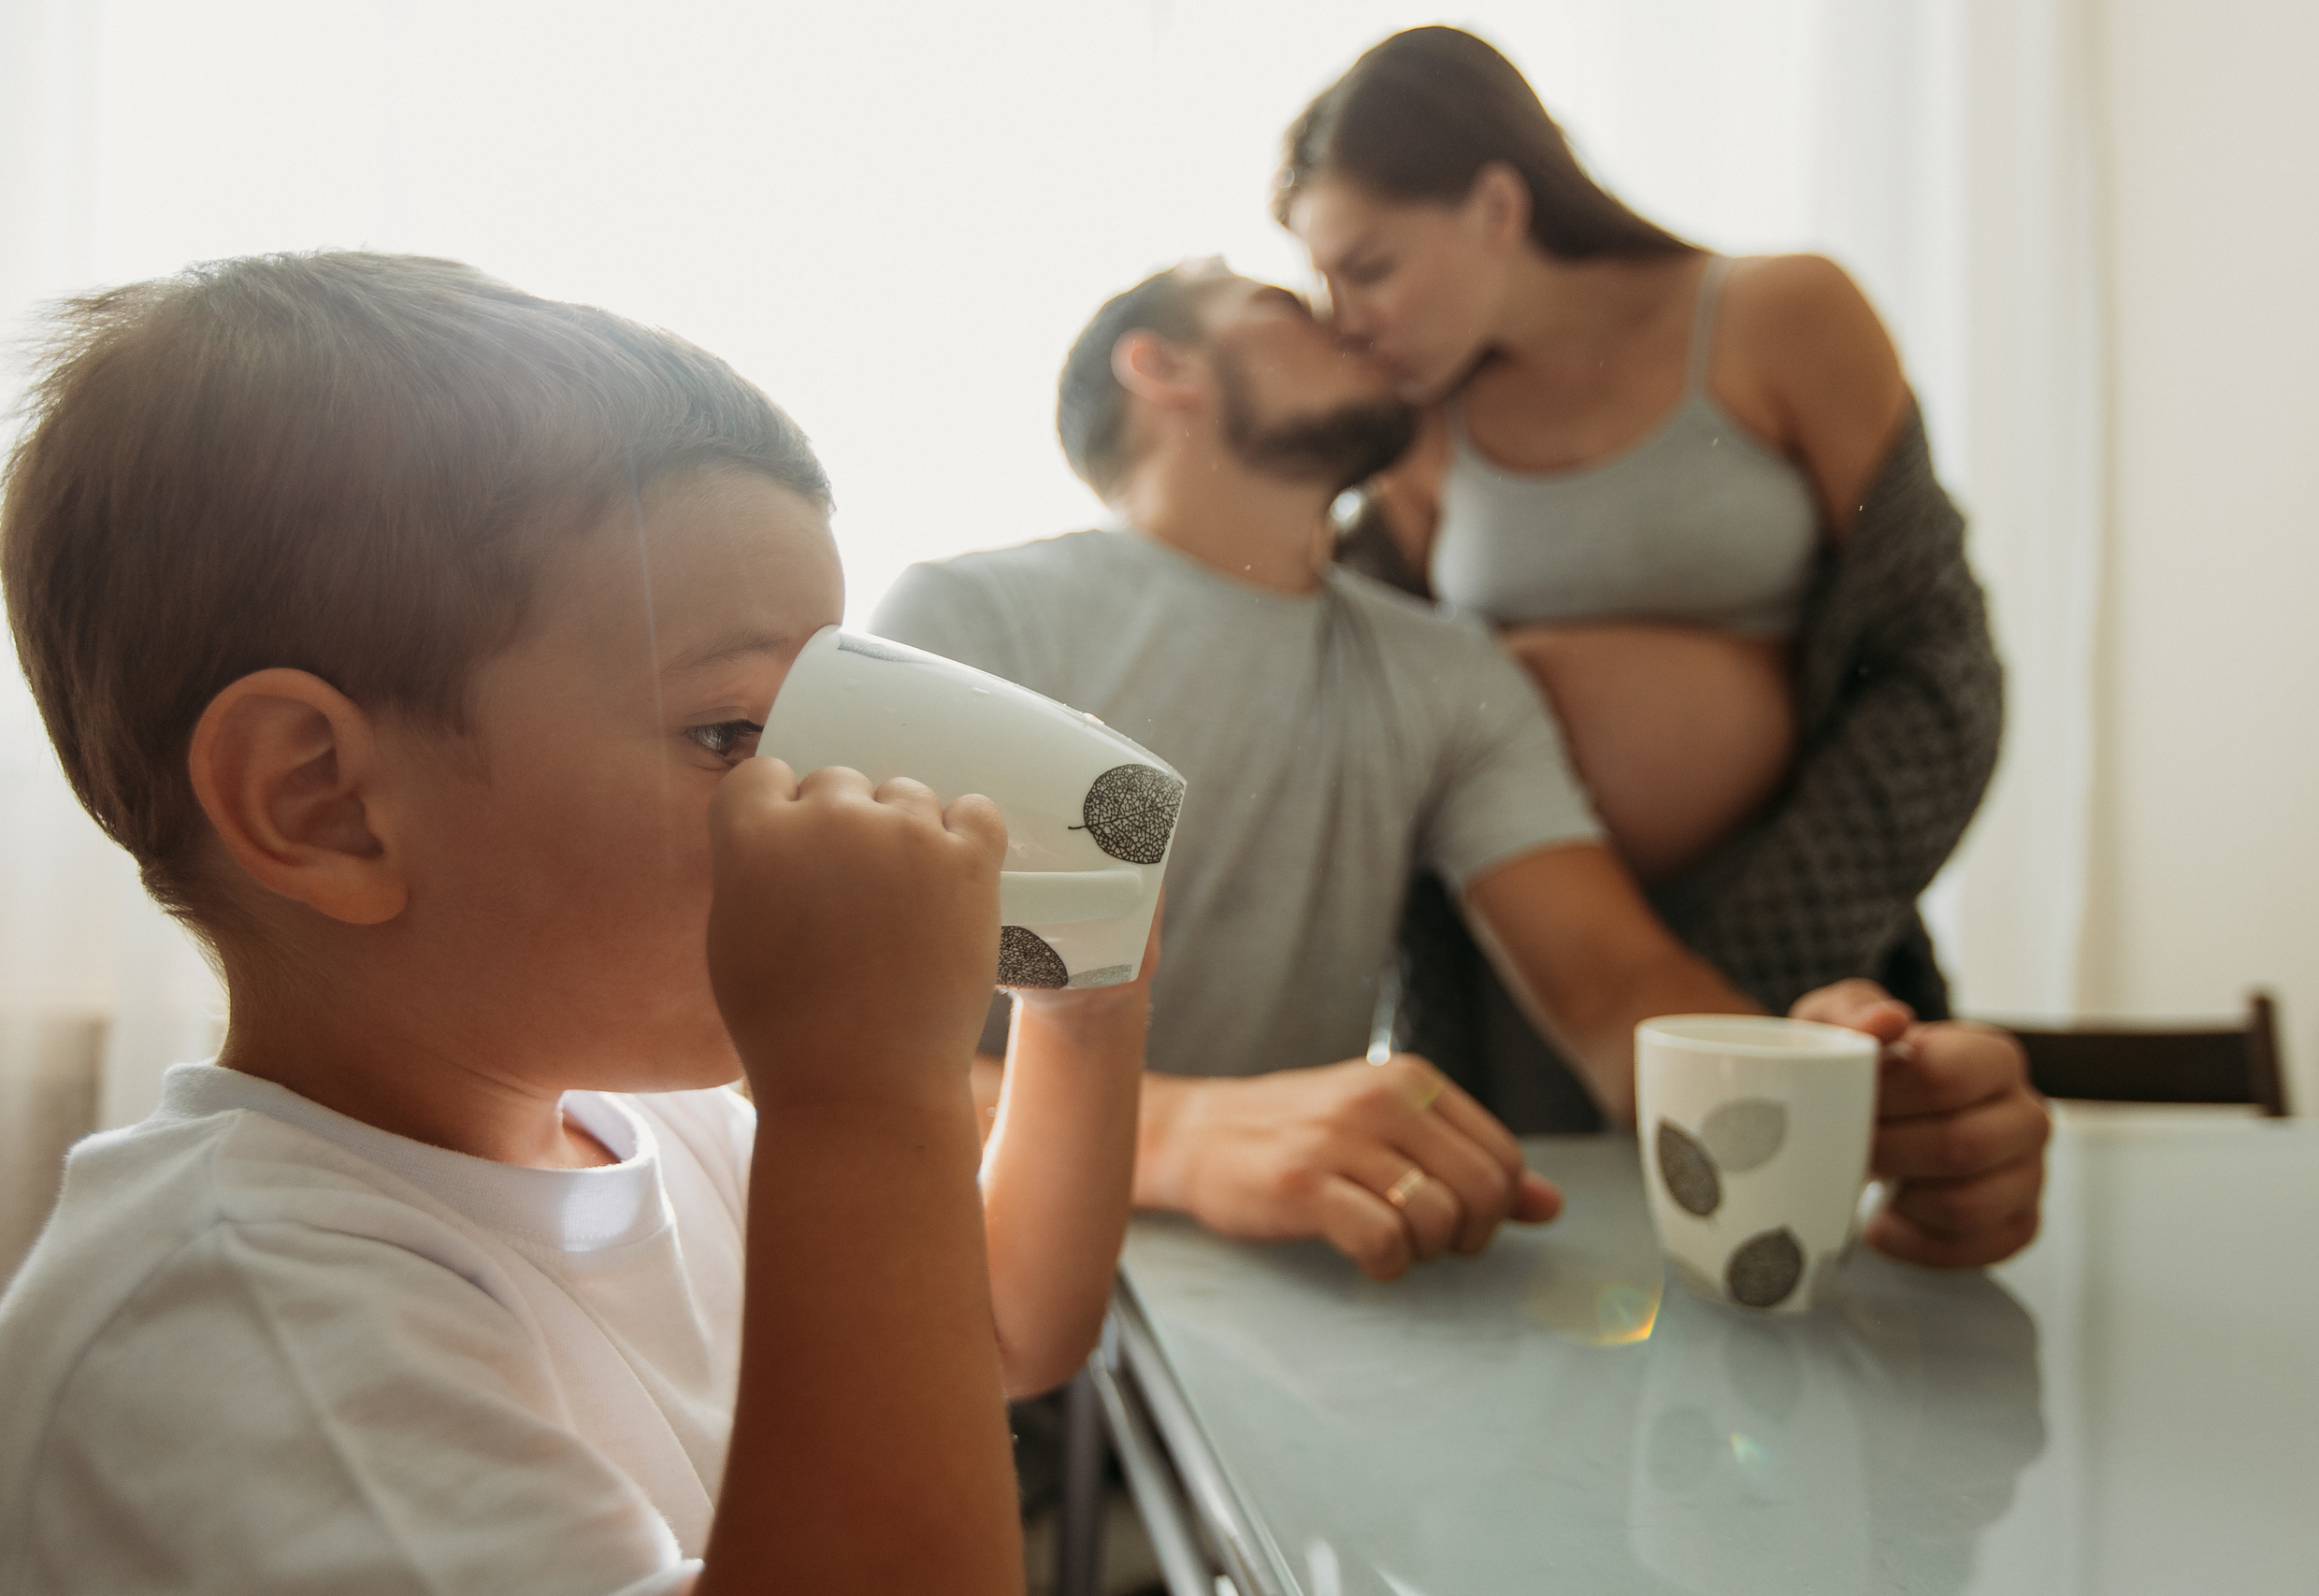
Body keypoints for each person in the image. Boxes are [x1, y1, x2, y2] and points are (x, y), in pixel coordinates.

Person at [0, 252, 1153, 1595]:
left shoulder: (656, 1126)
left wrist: (1089, 992)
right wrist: (863, 1096)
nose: (822, 791)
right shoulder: (230, 1324)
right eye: (733, 732)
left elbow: (1002, 1325)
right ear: (322, 801)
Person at [871, 263, 2047, 1287]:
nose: (1353, 323)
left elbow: (1613, 991)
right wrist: (1183, 1141)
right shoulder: (964, 620)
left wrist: (1850, 1098)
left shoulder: (1445, 672)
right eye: (1284, 301)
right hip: (961, 1320)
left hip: (1287, 1333)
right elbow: (815, 1062)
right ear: (1161, 365)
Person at [1275, 26, 2002, 1113]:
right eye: (1321, 283)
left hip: (1805, 955)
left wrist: (1759, 953)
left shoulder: (1783, 317)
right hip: (1517, 994)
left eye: (1368, 269)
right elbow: (1379, 716)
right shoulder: (1419, 435)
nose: (1347, 321)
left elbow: (1935, 663)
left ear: (1498, 207)